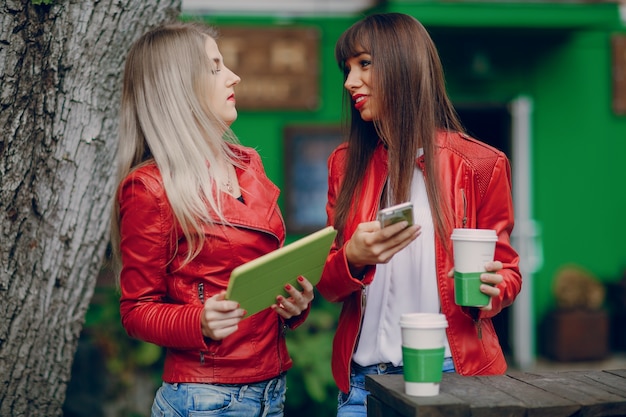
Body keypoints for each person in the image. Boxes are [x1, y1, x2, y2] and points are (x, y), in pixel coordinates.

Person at [316, 13, 522, 416]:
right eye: (347, 68)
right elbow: (327, 284)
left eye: (364, 64)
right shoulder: (344, 164)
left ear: (402, 63)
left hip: (453, 375)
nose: (349, 82)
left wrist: (493, 289)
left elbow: (509, 272)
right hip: (363, 383)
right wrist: (353, 258)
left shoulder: (480, 164)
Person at [110, 22, 314, 417]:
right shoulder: (150, 187)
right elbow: (136, 311)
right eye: (216, 67)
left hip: (271, 390)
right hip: (205, 397)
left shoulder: (247, 164)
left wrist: (295, 304)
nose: (234, 76)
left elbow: (263, 273)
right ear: (179, 86)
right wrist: (198, 320)